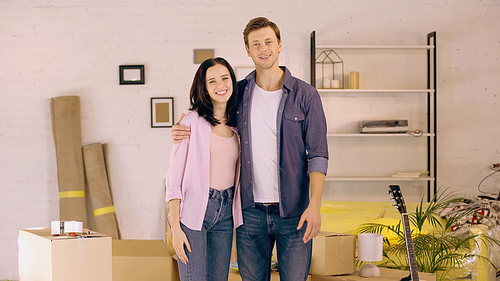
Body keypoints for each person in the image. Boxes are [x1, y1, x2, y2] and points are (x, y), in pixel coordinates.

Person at [171, 17, 328, 281]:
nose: (263, 48)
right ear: (248, 50)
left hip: (294, 213)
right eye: (256, 44)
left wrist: (315, 205)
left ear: (279, 45)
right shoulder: (238, 93)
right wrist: (180, 129)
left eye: (268, 42)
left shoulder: (306, 95)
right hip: (249, 214)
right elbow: (211, 118)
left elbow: (318, 155)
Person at [165, 57, 243, 281]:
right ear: (204, 89)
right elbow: (174, 179)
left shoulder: (237, 125)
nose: (220, 85)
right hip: (194, 212)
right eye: (212, 81)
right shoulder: (191, 122)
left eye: (225, 78)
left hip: (226, 213)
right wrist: (176, 228)